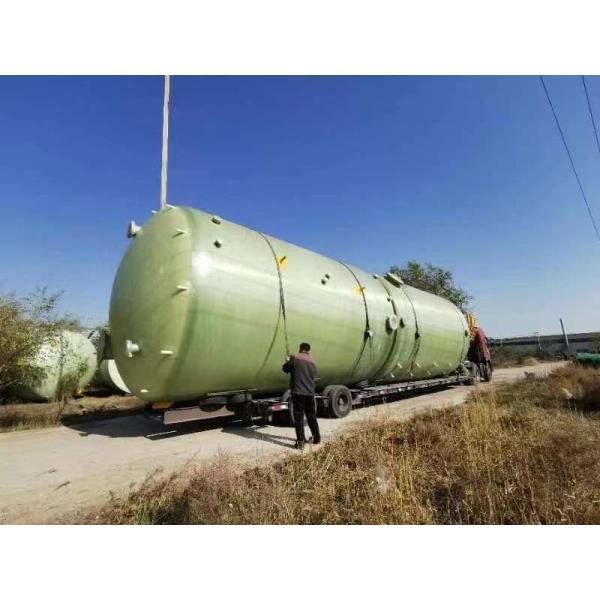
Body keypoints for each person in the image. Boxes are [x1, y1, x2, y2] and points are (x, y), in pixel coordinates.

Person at [282, 342, 320, 450]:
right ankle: (317, 438)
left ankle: (300, 442)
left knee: (299, 418)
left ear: (300, 349)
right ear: (308, 350)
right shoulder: (312, 362)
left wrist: (287, 361)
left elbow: (285, 369)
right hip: (310, 393)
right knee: (311, 416)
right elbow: (312, 375)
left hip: (298, 392)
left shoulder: (294, 358)